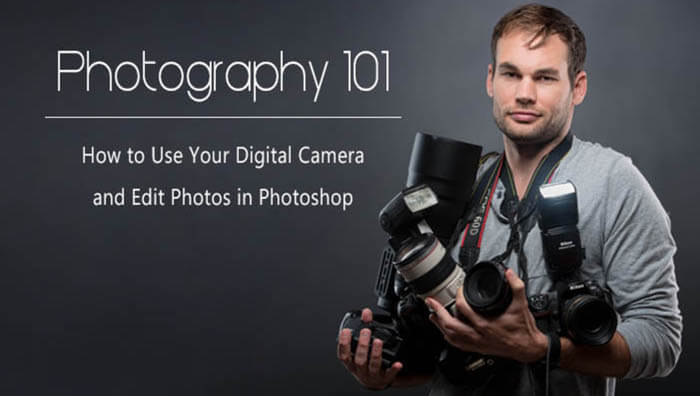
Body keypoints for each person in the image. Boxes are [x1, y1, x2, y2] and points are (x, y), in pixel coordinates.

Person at [337, 3, 682, 395]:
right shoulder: (458, 186)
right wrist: (387, 370)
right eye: (511, 73)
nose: (524, 93)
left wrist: (540, 347)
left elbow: (661, 339)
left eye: (546, 77)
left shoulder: (614, 182)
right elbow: (445, 355)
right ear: (490, 79)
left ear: (578, 87)